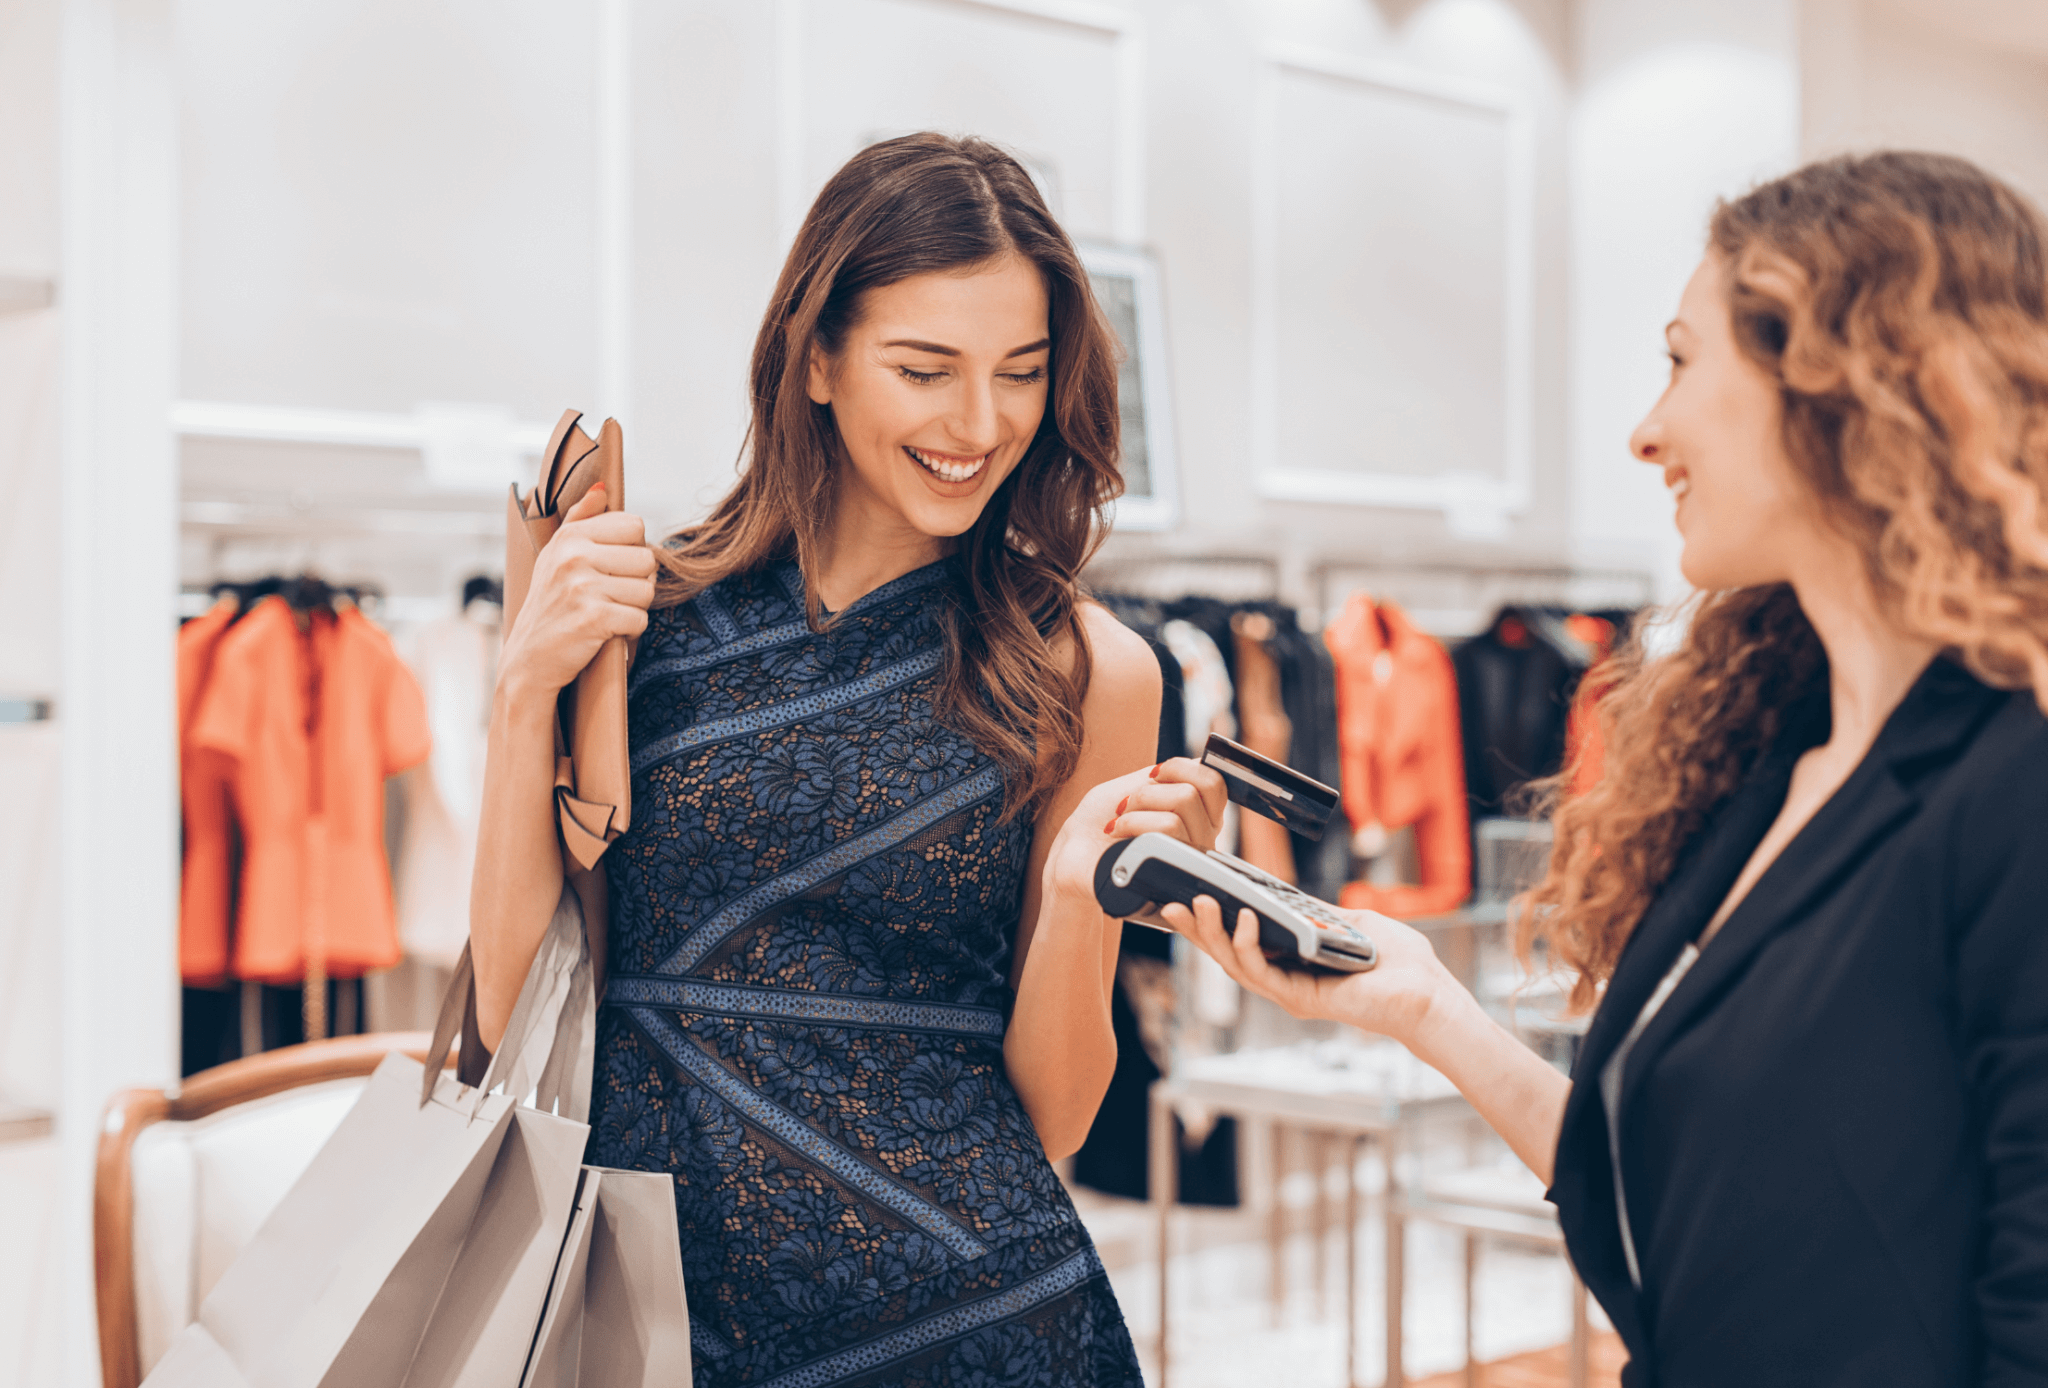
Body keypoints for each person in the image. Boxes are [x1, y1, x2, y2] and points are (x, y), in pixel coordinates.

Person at [1170, 151, 2048, 1386]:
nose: (1646, 431)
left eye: (1682, 361)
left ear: (1834, 379)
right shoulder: (1777, 767)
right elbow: (1661, 1215)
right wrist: (1424, 1007)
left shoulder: (2011, 790)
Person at [468, 132, 1225, 1387]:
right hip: (660, 1317)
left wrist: (1085, 895)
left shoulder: (1094, 669)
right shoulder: (638, 611)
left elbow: (1057, 1113)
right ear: (815, 355)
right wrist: (518, 697)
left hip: (971, 1322)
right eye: (925, 369)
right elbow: (523, 1009)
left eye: (1021, 374)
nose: (978, 424)